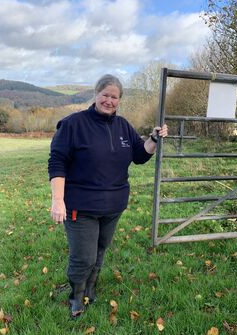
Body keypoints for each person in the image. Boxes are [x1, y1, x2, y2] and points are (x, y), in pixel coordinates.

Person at [48, 74, 168, 318]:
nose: (109, 101)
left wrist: (153, 139)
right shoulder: (73, 124)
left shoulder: (123, 126)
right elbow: (57, 162)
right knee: (84, 256)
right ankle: (76, 295)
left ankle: (91, 288)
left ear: (119, 100)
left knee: (101, 249)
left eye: (114, 97)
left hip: (114, 205)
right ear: (95, 95)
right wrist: (57, 200)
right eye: (105, 95)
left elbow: (139, 154)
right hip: (80, 207)